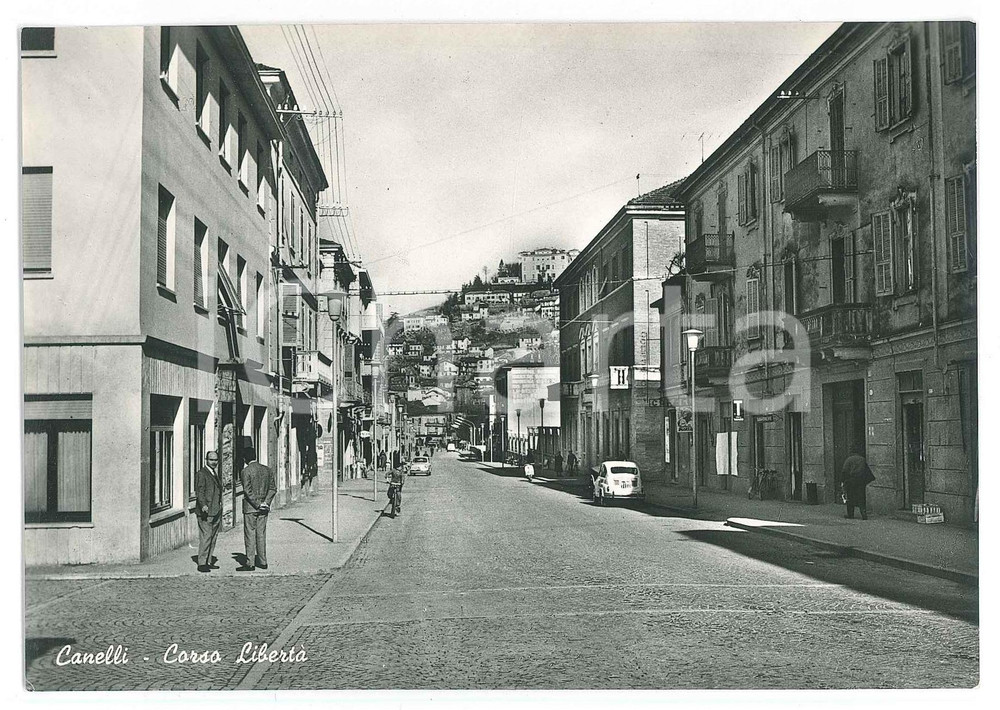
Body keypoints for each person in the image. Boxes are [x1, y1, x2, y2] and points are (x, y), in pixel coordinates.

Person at [239, 447, 277, 570]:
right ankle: (263, 561)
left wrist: (257, 504)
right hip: (264, 508)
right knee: (261, 534)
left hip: (250, 508)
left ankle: (250, 563)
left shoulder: (246, 471)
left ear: (245, 458)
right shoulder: (267, 470)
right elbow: (272, 488)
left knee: (250, 534)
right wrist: (265, 502)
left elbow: (247, 490)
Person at [194, 450, 222, 573]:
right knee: (206, 537)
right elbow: (199, 491)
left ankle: (209, 561)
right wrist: (203, 505)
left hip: (216, 511)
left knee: (213, 537)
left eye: (216, 460)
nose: (214, 462)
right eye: (211, 460)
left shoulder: (214, 473)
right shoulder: (202, 473)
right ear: (206, 460)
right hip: (206, 511)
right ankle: (202, 563)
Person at [840, 452, 876, 520]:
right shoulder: (862, 459)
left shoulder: (849, 459)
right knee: (861, 497)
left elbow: (844, 471)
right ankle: (864, 514)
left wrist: (842, 481)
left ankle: (850, 514)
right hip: (861, 481)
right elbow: (867, 470)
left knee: (850, 497)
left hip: (851, 480)